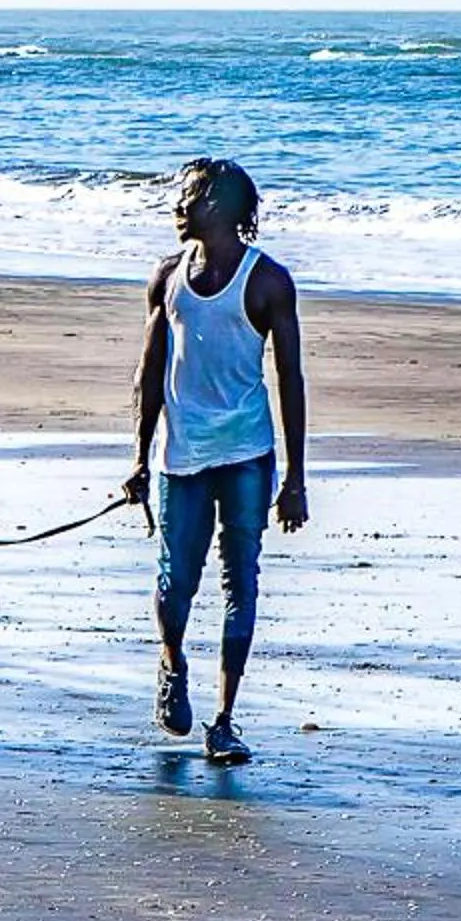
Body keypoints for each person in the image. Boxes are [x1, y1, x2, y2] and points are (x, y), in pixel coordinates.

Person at [121, 156, 308, 765]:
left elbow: (290, 379)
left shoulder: (268, 282)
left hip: (247, 455)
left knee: (240, 583)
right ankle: (172, 664)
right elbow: (149, 373)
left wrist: (296, 480)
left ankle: (224, 721)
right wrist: (138, 458)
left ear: (221, 209)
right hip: (182, 455)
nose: (178, 206)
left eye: (190, 198)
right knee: (177, 583)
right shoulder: (166, 278)